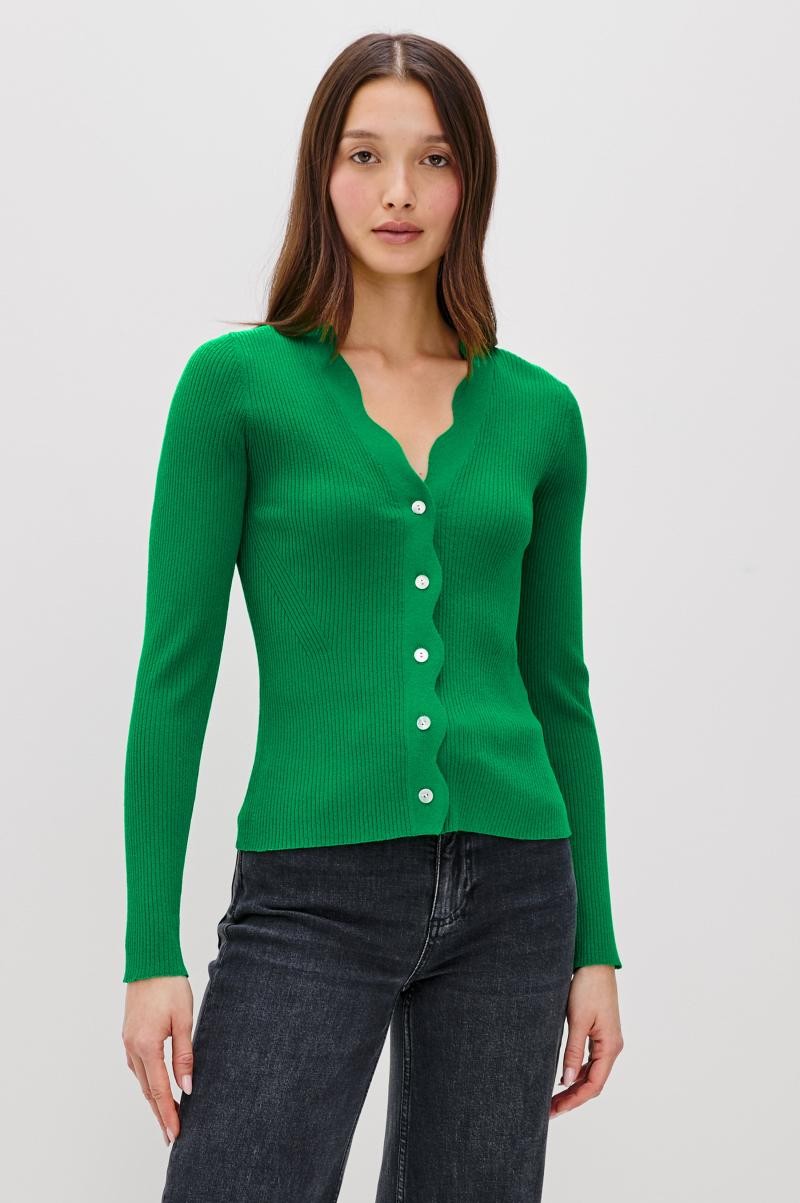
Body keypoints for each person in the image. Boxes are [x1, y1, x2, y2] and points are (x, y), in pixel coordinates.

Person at [121, 30, 624, 1203]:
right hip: (311, 891)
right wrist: (150, 950)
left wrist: (593, 943)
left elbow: (557, 687)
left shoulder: (539, 413)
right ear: (322, 172)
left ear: (469, 181)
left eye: (432, 158)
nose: (398, 190)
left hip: (516, 889)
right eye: (364, 154)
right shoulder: (235, 387)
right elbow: (173, 676)